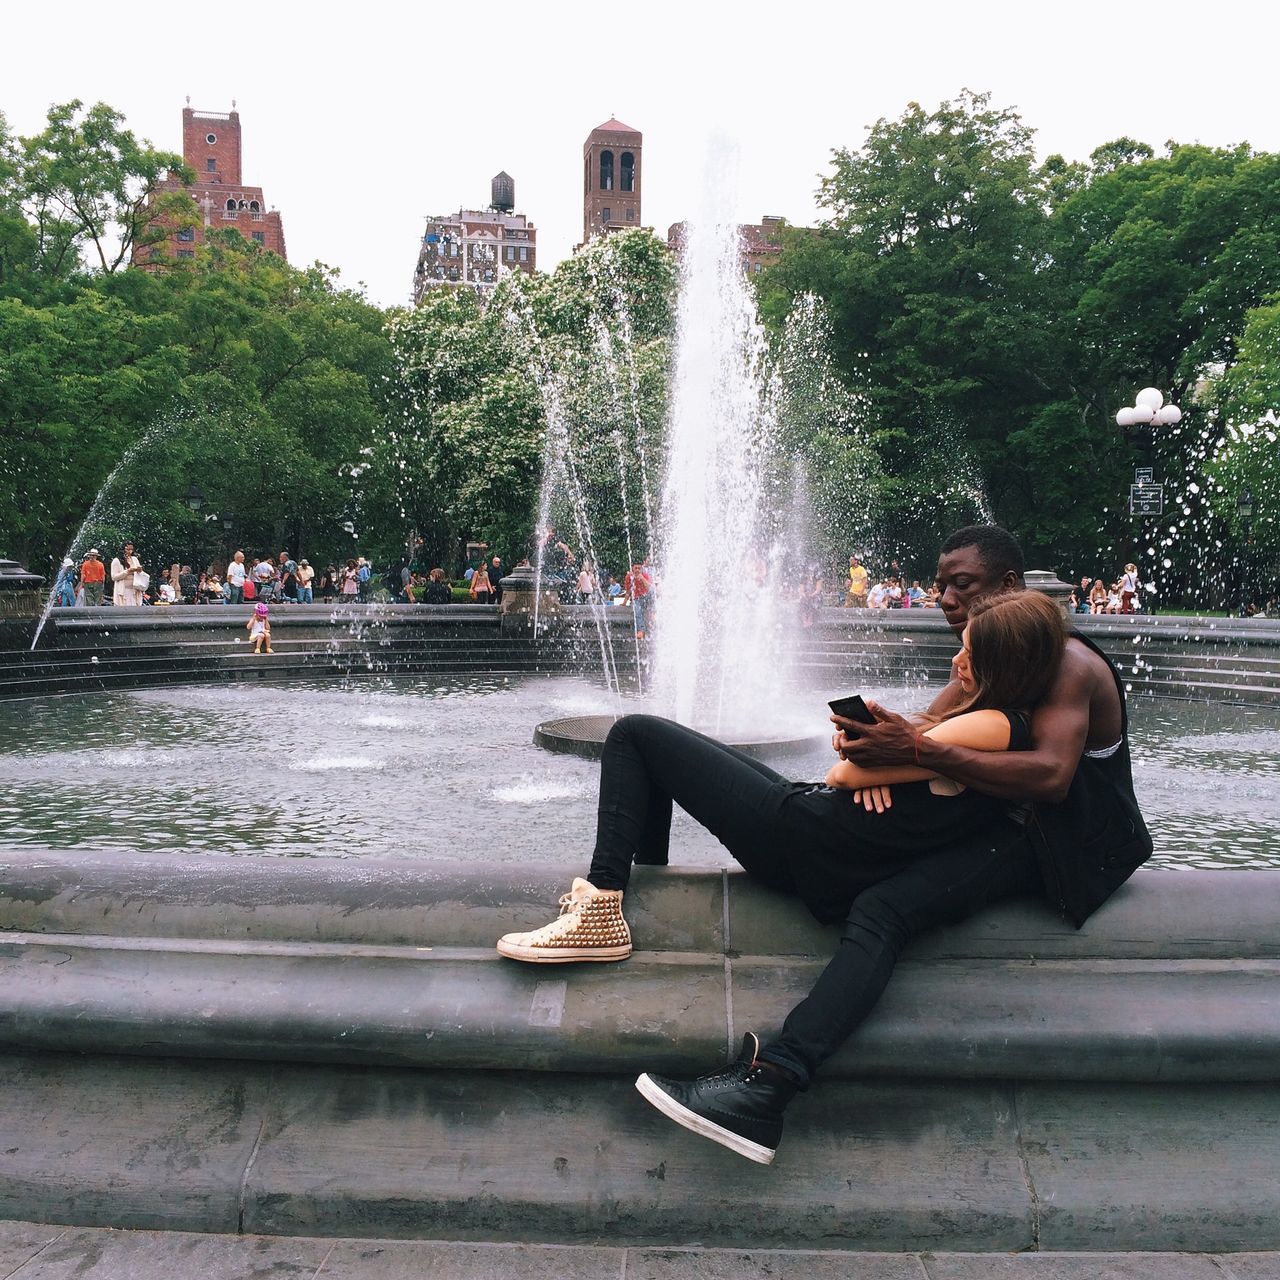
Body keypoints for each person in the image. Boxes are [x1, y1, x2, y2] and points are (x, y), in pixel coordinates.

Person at [497, 525, 1151, 1166]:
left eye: (962, 587)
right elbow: (922, 727)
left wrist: (910, 756)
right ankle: (751, 1059)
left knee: (882, 905)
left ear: (1006, 588)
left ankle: (643, 947)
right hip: (960, 823)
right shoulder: (997, 665)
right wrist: (886, 751)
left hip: (1056, 843)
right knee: (881, 906)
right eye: (939, 586)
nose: (945, 602)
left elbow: (1049, 776)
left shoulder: (1062, 663)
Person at [624, 560, 654, 637]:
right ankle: (641, 630)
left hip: (645, 596)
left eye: (639, 568)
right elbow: (628, 591)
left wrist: (642, 579)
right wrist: (624, 603)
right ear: (632, 569)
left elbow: (649, 588)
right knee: (637, 612)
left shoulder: (645, 575)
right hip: (636, 598)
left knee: (652, 592)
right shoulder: (628, 577)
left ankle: (653, 612)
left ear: (641, 569)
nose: (637, 570)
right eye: (636, 568)